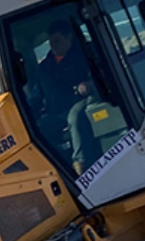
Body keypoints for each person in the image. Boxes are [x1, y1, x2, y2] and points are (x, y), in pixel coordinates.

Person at [34, 19, 99, 172]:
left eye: (57, 41)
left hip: (81, 101)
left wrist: (88, 84)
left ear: (69, 37)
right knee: (40, 129)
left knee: (74, 118)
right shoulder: (45, 67)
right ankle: (56, 167)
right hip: (56, 110)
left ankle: (81, 165)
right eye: (51, 42)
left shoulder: (85, 55)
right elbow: (37, 95)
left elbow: (102, 73)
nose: (53, 46)